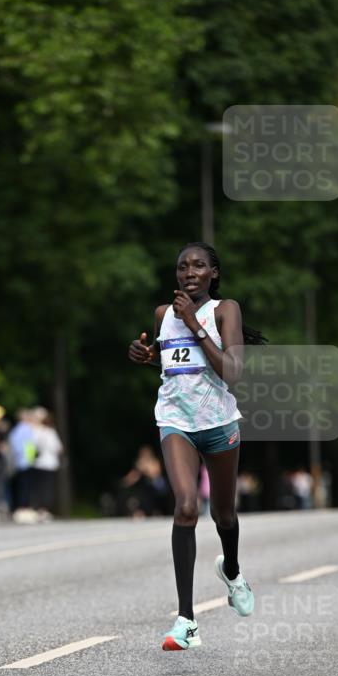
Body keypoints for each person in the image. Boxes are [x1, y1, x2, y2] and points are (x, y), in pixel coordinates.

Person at [128, 241, 266, 651]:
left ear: (214, 274)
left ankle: (233, 569)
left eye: (199, 266)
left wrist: (194, 323)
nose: (189, 272)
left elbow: (232, 373)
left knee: (223, 513)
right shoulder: (162, 315)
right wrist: (147, 355)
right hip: (175, 422)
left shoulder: (225, 310)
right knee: (187, 506)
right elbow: (176, 361)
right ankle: (187, 620)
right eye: (183, 266)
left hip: (218, 423)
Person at [31, 407, 63, 520]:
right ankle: (44, 510)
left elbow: (30, 447)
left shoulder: (34, 431)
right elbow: (58, 448)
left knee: (38, 487)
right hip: (49, 463)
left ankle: (38, 509)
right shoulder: (50, 432)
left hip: (37, 463)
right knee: (47, 487)